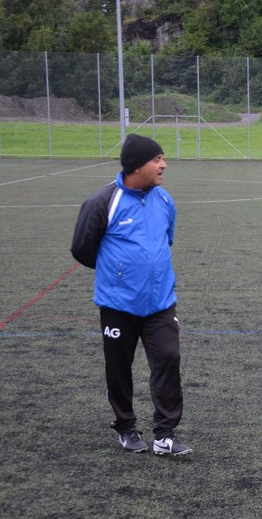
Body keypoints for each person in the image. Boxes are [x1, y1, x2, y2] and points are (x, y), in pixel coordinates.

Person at [71, 134, 192, 455]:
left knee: (168, 358)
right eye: (157, 160)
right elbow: (82, 249)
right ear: (137, 166)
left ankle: (164, 435)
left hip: (160, 303)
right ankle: (125, 427)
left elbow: (166, 241)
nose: (164, 165)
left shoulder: (165, 200)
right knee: (118, 367)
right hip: (118, 305)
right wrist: (118, 273)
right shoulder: (102, 202)